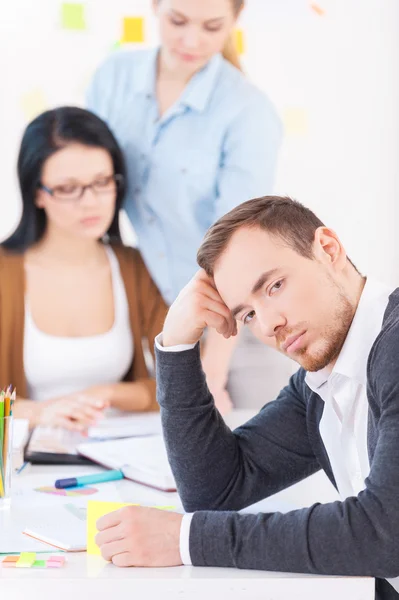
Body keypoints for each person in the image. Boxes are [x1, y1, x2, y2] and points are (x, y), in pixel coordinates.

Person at [95, 196, 399, 600]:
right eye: (248, 315)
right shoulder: (323, 381)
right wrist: (176, 345)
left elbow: (384, 533)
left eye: (275, 286)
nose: (271, 323)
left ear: (328, 249)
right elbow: (216, 489)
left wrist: (185, 539)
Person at [86, 0, 293, 412]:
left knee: (255, 450)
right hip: (167, 310)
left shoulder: (248, 111)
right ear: (154, 7)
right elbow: (90, 175)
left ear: (235, 21)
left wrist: (213, 371)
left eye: (212, 27)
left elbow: (239, 244)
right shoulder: (114, 79)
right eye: (177, 21)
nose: (191, 40)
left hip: (245, 318)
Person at [0, 106, 167, 431]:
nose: (91, 201)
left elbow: (177, 384)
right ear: (37, 193)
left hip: (120, 456)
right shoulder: (5, 272)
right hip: (29, 465)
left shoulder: (137, 266)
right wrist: (38, 413)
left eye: (102, 181)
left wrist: (107, 393)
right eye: (67, 188)